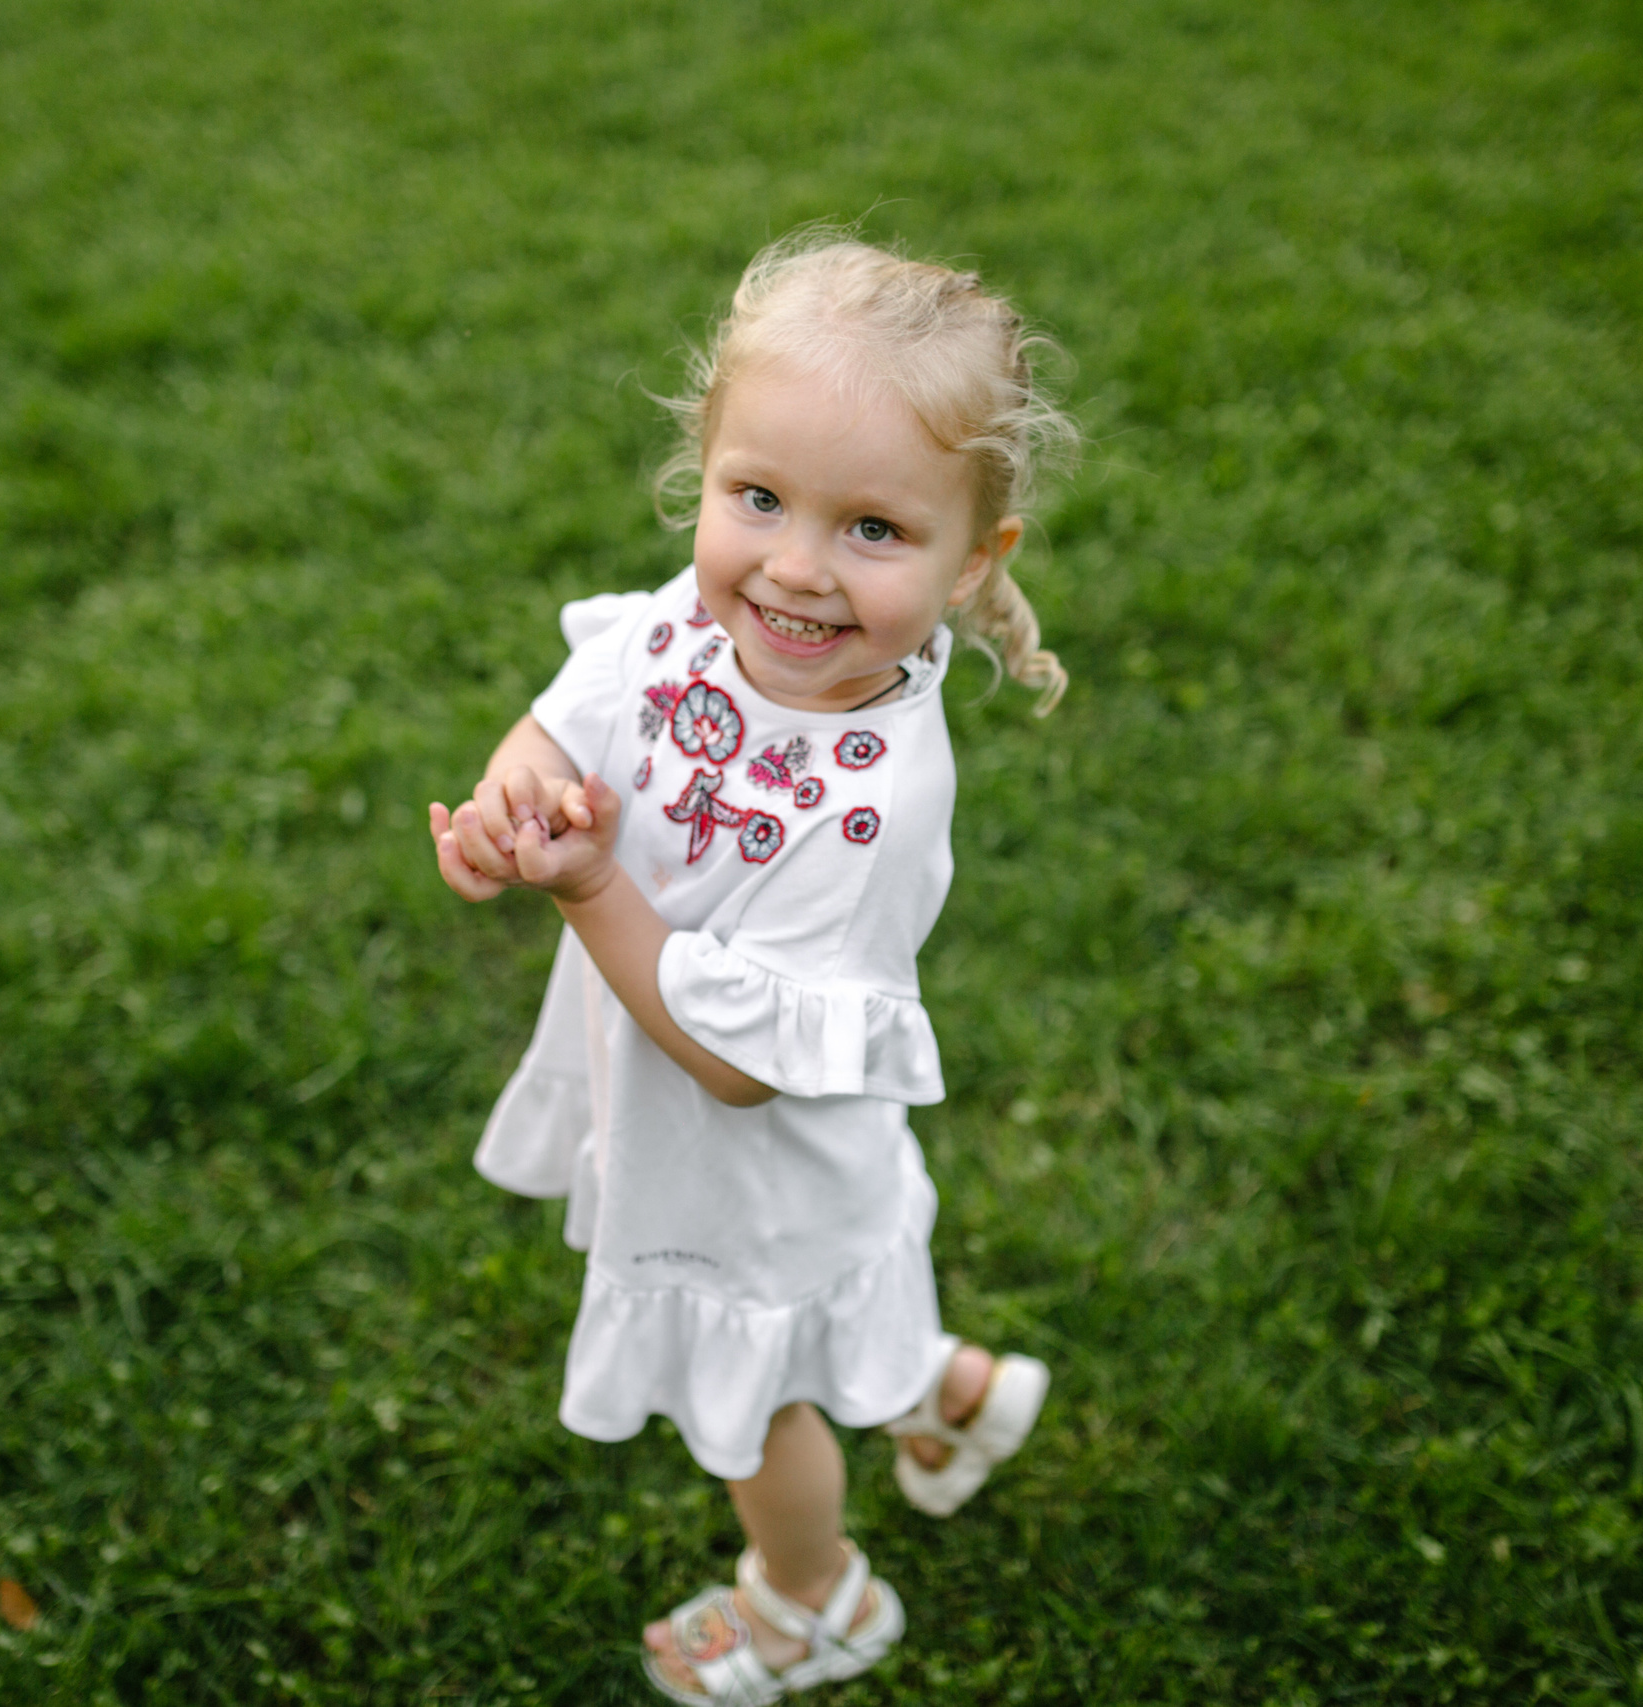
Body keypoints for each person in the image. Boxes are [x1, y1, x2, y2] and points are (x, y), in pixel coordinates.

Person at [428, 230, 1074, 1705]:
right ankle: (955, 1396)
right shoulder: (694, 622)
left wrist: (590, 885)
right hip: (707, 1128)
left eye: (873, 529)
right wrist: (512, 806)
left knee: (758, 1394)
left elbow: (735, 1067)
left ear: (975, 559)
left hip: (751, 1169)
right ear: (706, 472)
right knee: (822, 1312)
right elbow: (572, 714)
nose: (794, 567)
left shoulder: (875, 802)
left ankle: (812, 1599)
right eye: (760, 499)